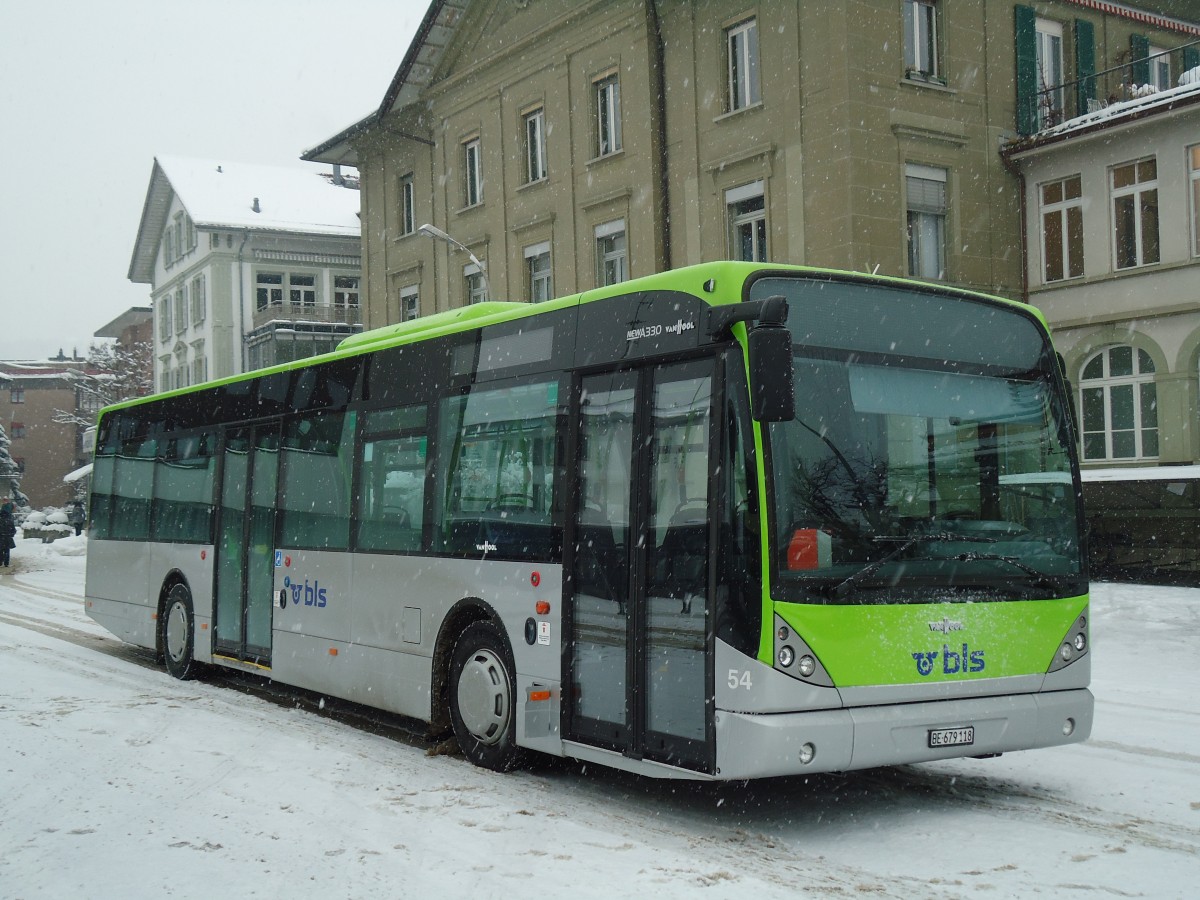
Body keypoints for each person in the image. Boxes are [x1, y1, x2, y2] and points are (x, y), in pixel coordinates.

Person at [0, 501, 15, 568]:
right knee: (7, 550)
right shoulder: (9, 521)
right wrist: (11, 535)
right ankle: (6, 563)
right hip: (7, 538)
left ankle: (0, 561)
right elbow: (13, 530)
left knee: (0, 550)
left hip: (1, 537)